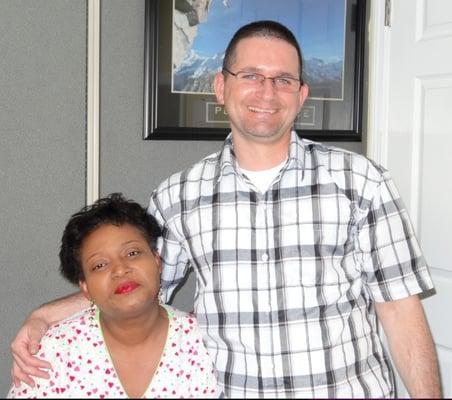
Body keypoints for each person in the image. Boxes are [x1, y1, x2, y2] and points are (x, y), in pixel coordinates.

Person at [10, 20, 441, 398]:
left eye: (283, 79)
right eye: (251, 75)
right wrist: (44, 316)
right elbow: (138, 287)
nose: (267, 92)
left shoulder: (362, 181)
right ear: (221, 87)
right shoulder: (179, 196)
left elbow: (400, 310)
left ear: (302, 93)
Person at [7, 193, 219, 398]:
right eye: (99, 265)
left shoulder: (209, 343)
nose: (120, 270)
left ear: (157, 260)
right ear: (85, 287)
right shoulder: (54, 353)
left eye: (132, 253)